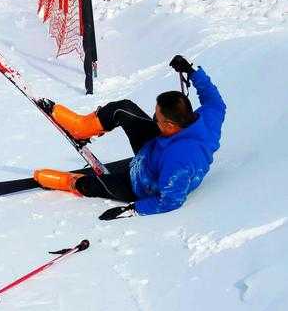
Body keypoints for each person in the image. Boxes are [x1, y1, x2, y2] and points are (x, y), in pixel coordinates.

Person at [33, 55, 226, 220]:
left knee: (90, 185)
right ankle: (81, 128)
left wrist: (132, 209)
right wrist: (191, 71)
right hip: (153, 150)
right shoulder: (209, 116)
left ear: (170, 125)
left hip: (139, 184)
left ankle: (70, 182)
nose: (153, 119)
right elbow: (214, 99)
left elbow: (170, 201)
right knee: (123, 108)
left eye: (156, 119)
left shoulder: (180, 160)